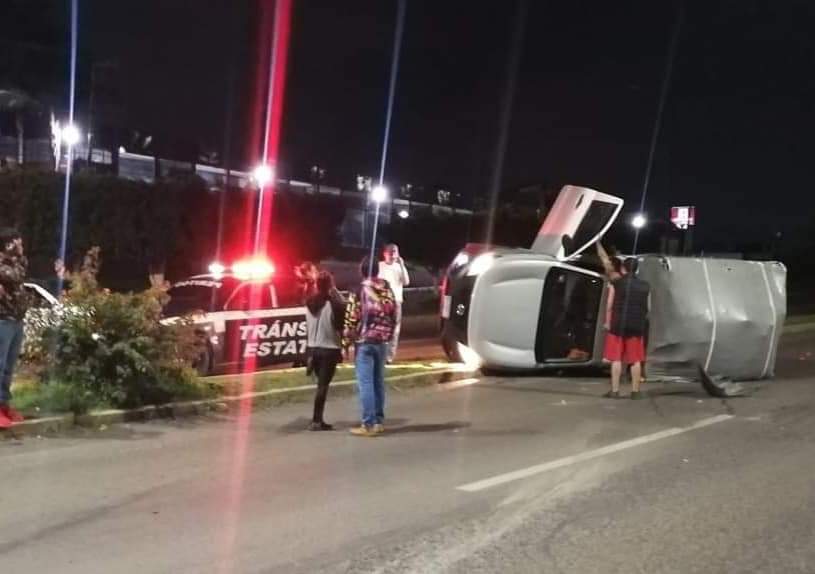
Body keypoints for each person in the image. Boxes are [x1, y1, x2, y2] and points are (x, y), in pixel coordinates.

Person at [343, 256, 397, 437]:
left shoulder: (358, 290)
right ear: (377, 270)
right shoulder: (387, 288)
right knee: (378, 381)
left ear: (362, 270)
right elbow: (394, 312)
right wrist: (389, 334)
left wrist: (346, 343)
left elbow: (351, 317)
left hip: (365, 341)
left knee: (365, 383)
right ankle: (379, 421)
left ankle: (368, 424)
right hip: (382, 340)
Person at [603, 258, 650, 400]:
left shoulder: (617, 283)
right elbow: (649, 307)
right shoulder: (645, 286)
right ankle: (635, 392)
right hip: (636, 326)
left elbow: (610, 304)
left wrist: (607, 321)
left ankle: (615, 391)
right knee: (635, 359)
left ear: (623, 268)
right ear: (636, 269)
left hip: (618, 325)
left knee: (616, 358)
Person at [305, 271, 345, 431]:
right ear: (330, 285)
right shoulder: (333, 303)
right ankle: (317, 420)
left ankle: (316, 419)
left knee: (319, 385)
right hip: (329, 348)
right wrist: (335, 291)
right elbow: (340, 323)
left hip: (313, 348)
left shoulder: (308, 303)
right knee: (323, 385)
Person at [0, 229, 30, 428]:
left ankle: (3, 404)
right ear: (8, 244)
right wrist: (16, 256)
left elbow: (23, 269)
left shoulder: (16, 262)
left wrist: (18, 256)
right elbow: (16, 277)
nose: (21, 246)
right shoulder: (3, 265)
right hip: (2, 320)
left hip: (16, 320)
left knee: (9, 367)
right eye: (17, 243)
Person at [377, 244, 410, 363]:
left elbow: (406, 281)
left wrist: (402, 264)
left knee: (394, 330)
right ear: (384, 253)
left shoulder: (399, 267)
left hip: (396, 301)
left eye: (395, 252)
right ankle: (380, 353)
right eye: (390, 252)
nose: (392, 254)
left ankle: (389, 356)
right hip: (382, 302)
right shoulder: (380, 266)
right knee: (381, 328)